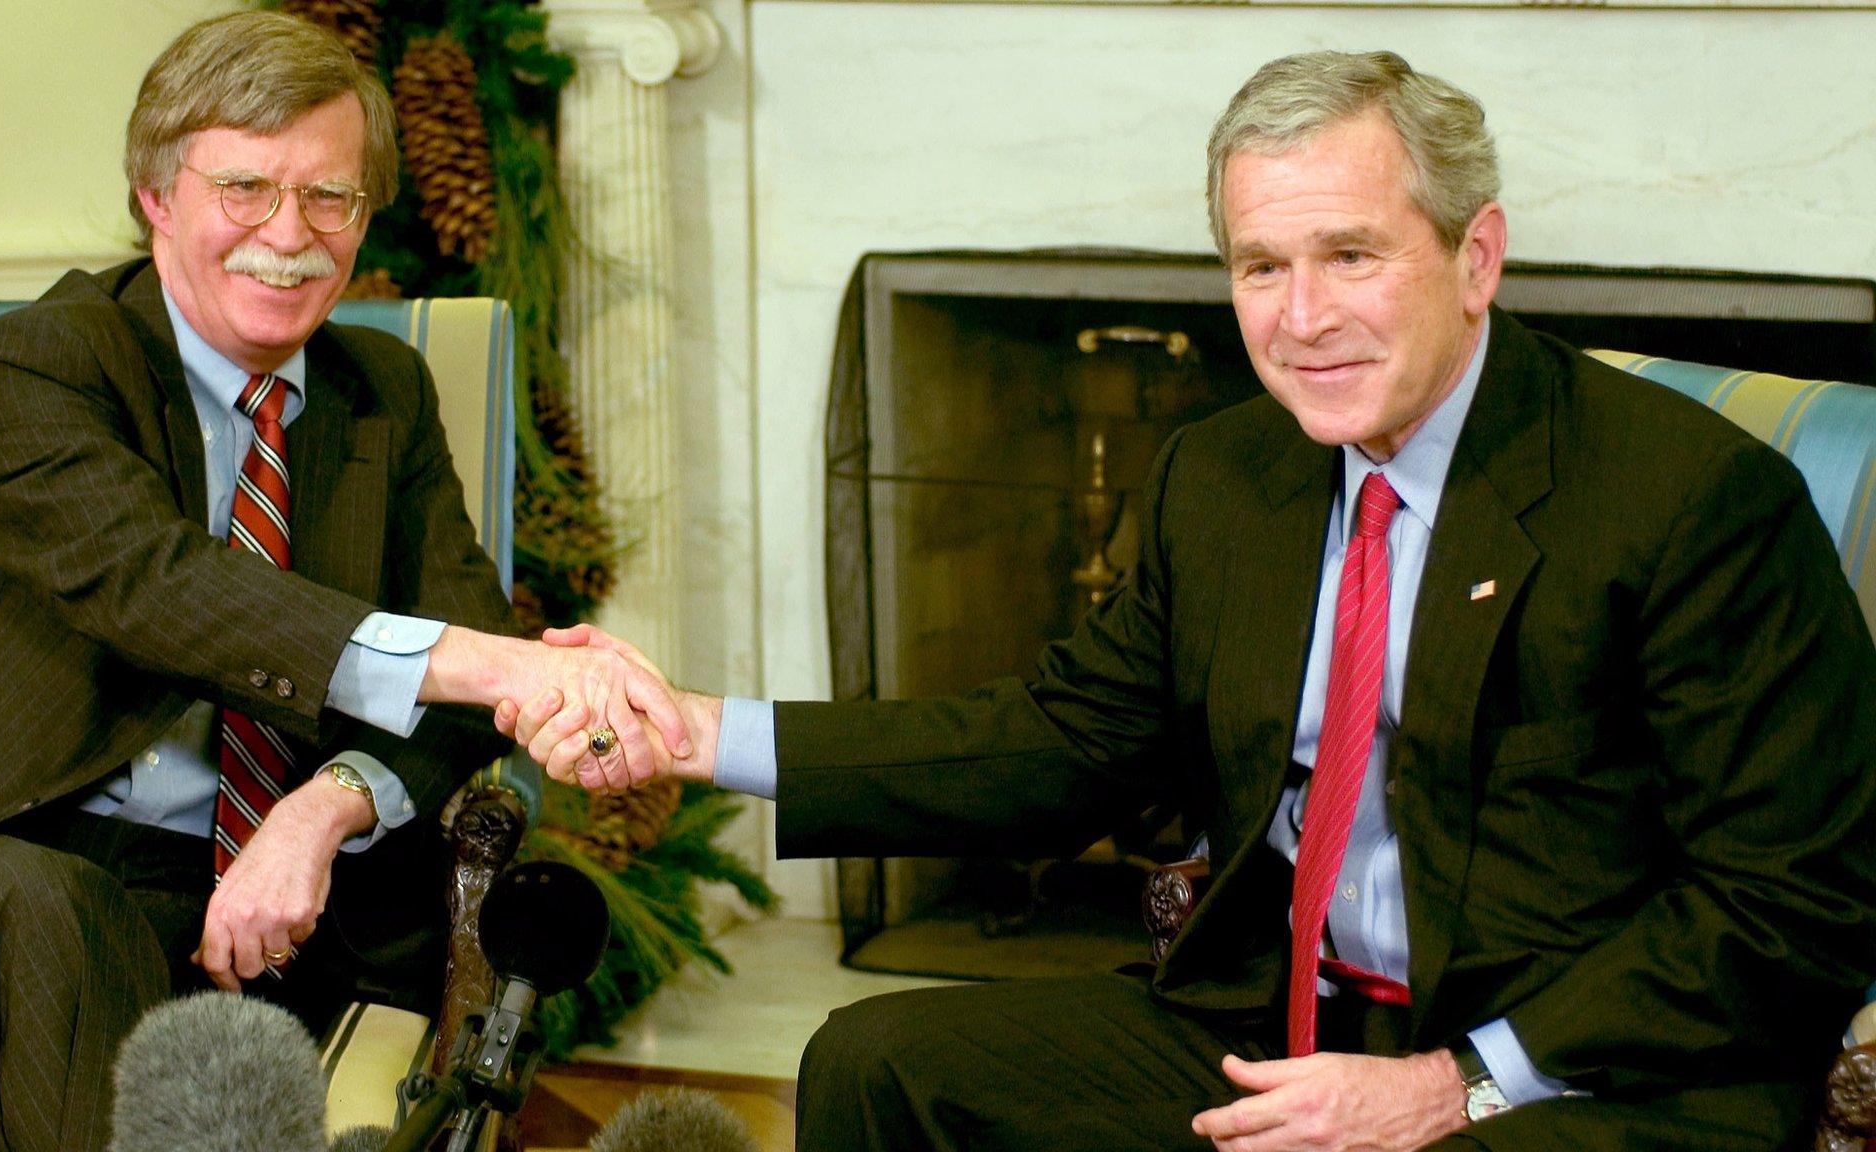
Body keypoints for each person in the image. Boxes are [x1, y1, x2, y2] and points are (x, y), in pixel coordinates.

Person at [508, 50, 1876, 1151]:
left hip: (1593, 1069)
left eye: (1351, 255)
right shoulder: (1226, 476)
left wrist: (1456, 1085)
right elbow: (1054, 743)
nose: (1301, 316)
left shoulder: (1692, 500)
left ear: (1476, 257)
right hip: (1283, 1022)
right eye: (1259, 266)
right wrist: (700, 733)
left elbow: (1785, 908)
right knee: (879, 1064)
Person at [0, 13, 684, 1152]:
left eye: (330, 197)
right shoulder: (35, 366)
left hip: (273, 903)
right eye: (244, 188)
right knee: (58, 928)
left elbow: (462, 689)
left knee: (31, 1078)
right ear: (155, 196)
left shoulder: (382, 392)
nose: (289, 236)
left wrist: (323, 810)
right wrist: (497, 661)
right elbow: (164, 586)